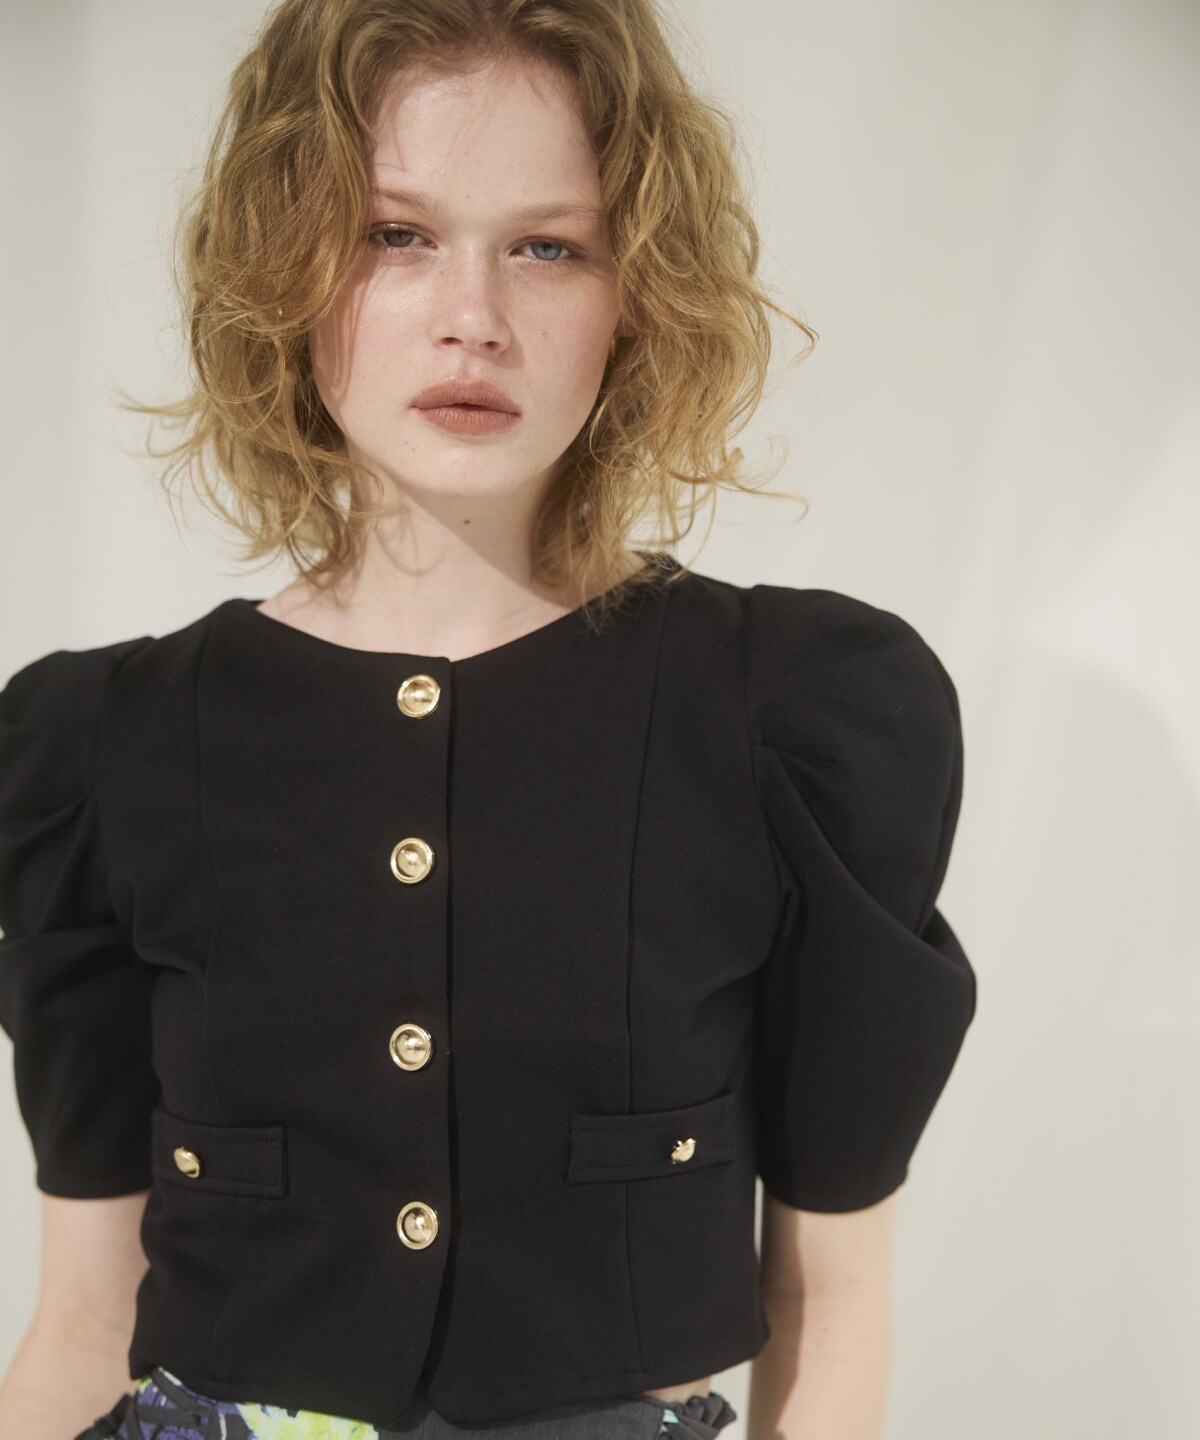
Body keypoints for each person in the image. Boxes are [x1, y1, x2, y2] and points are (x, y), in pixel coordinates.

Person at [0, 1, 977, 1438]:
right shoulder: (101, 744)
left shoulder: (794, 718)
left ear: (638, 289)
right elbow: (86, 1317)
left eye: (548, 246)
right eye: (395, 235)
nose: (475, 316)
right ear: (281, 267)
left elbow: (830, 1301)